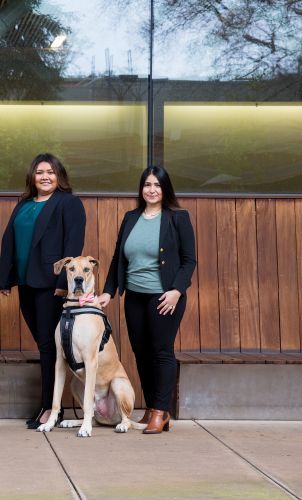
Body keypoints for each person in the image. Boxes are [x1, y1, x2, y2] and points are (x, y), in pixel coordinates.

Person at [98, 165, 196, 434]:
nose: (151, 190)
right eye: (147, 185)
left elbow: (189, 261)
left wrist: (177, 291)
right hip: (135, 297)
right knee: (141, 353)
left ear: (165, 189)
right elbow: (119, 258)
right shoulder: (131, 217)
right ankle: (152, 407)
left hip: (164, 296)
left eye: (157, 185)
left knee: (161, 351)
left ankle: (161, 412)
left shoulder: (178, 217)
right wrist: (108, 291)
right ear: (141, 189)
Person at [0, 153, 86, 429]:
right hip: (26, 283)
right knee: (45, 345)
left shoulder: (69, 203)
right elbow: (10, 241)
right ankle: (50, 404)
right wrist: (5, 279)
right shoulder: (23, 204)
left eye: (50, 171)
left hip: (51, 286)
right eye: (39, 172)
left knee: (49, 346)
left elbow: (73, 247)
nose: (45, 176)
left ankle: (52, 408)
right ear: (31, 177)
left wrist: (63, 286)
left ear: (59, 176)